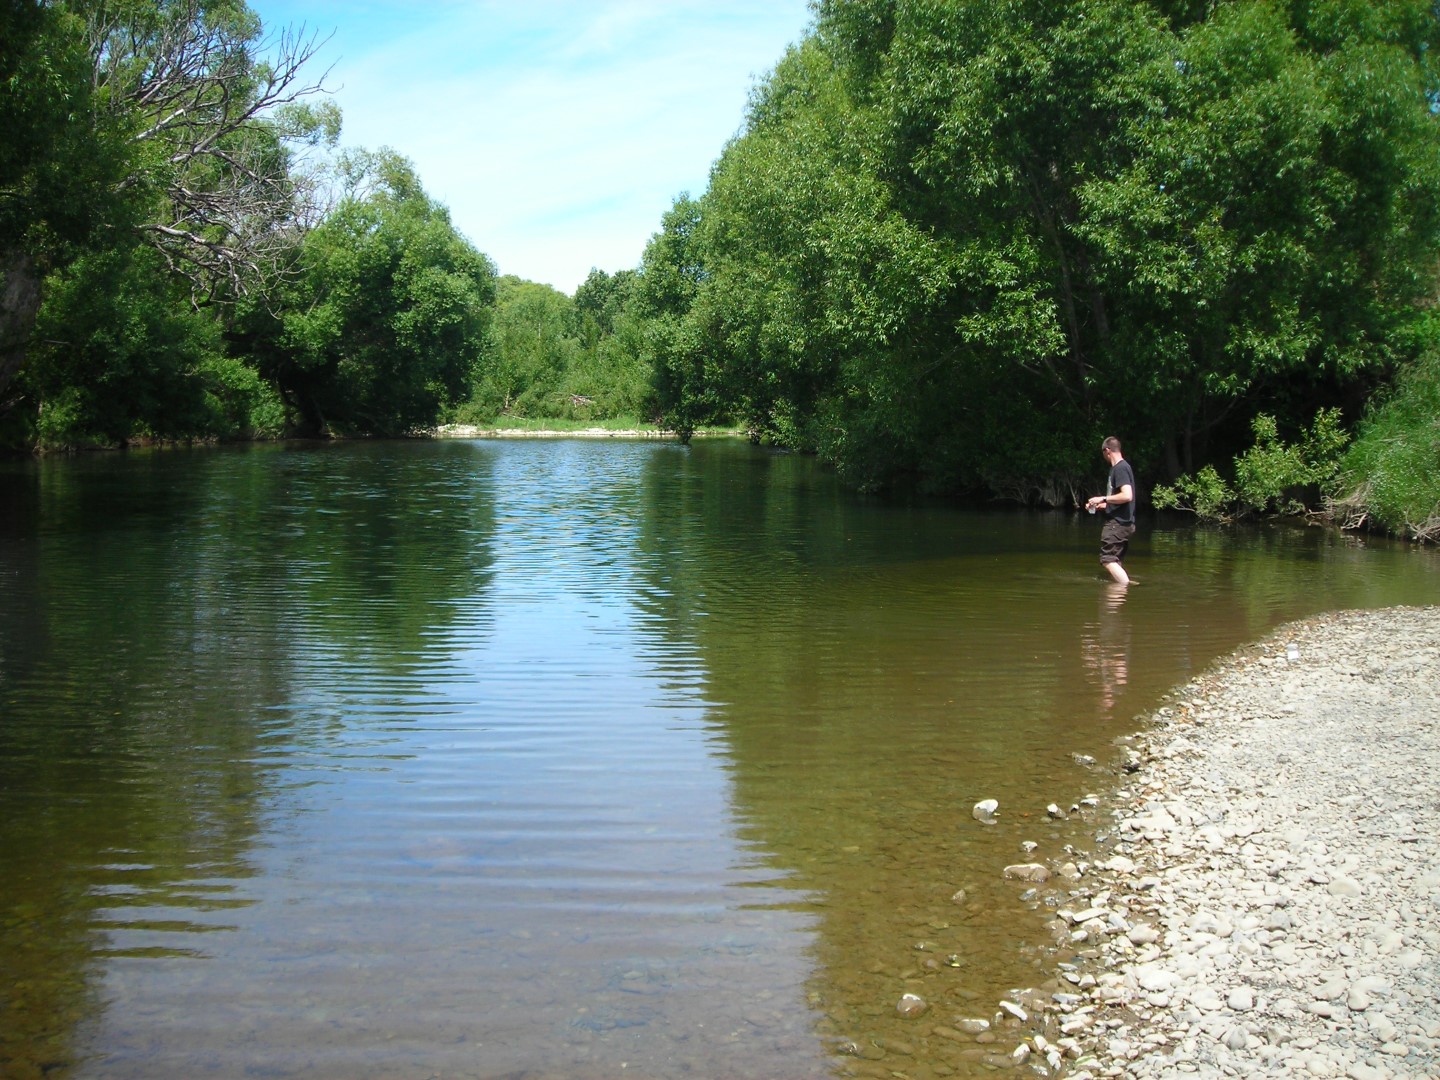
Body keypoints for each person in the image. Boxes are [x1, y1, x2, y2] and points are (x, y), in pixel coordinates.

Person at [1084, 436, 1136, 585]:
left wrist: (1103, 498)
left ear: (1107, 450)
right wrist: (1100, 505)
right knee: (1116, 561)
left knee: (1108, 560)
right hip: (1123, 523)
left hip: (1117, 524)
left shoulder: (1120, 468)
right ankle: (1118, 596)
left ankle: (1125, 587)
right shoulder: (1120, 468)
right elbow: (1120, 500)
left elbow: (1127, 496)